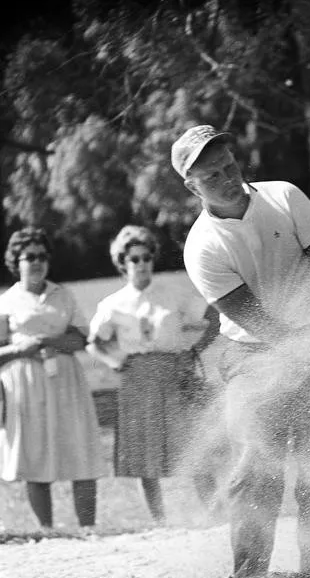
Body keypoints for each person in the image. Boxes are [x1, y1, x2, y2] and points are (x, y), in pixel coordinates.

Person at [171, 124, 310, 577]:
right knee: (255, 467)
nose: (227, 178)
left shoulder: (285, 197)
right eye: (212, 175)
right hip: (253, 356)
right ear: (191, 185)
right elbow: (253, 317)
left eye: (229, 165)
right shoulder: (202, 247)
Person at [87, 225, 219, 525]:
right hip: (137, 378)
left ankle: (215, 515)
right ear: (123, 263)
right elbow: (94, 343)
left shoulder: (172, 295)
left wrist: (194, 350)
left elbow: (214, 317)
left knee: (192, 445)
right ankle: (160, 520)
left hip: (174, 374)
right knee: (145, 451)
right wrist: (114, 362)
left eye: (146, 257)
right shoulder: (112, 303)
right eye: (134, 259)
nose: (142, 264)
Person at [0, 227, 105, 529]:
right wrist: (21, 347)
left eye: (42, 256)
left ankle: (89, 529)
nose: (36, 262)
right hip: (25, 382)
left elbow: (81, 339)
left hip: (66, 379)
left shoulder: (63, 295)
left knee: (79, 446)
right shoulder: (8, 302)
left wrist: (48, 341)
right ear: (15, 261)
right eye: (29, 256)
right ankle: (47, 529)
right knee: (35, 452)